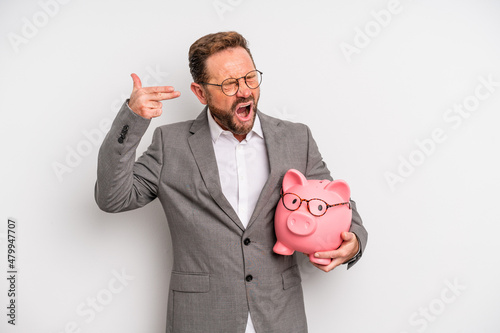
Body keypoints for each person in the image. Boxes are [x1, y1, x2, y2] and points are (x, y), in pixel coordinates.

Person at [95, 31, 367, 333]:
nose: (244, 91)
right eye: (229, 84)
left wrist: (353, 241)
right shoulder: (169, 144)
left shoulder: (295, 138)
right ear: (200, 93)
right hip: (201, 318)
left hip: (279, 316)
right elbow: (113, 198)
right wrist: (131, 121)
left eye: (250, 78)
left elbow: (336, 203)